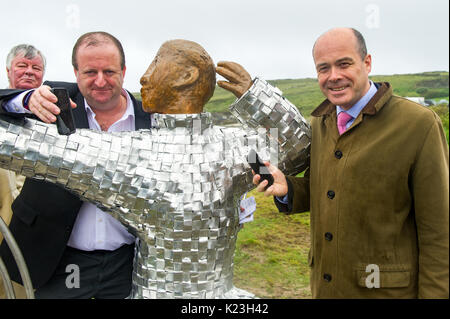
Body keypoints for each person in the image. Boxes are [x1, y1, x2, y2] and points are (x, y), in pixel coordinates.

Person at [0, 39, 311, 298]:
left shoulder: (133, 152)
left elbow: (295, 151)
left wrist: (256, 94)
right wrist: (23, 100)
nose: (143, 78)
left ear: (187, 76)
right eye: (89, 71)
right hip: (67, 266)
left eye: (154, 64)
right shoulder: (235, 147)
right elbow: (294, 146)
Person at [251, 27, 449, 298]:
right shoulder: (321, 123)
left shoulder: (418, 125)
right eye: (323, 68)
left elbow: (439, 231)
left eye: (344, 64)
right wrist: (289, 189)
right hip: (327, 288)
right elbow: (329, 189)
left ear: (367, 63)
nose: (334, 76)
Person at [0, 32, 152, 299]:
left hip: (125, 263)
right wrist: (25, 100)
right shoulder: (53, 100)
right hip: (55, 259)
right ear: (75, 71)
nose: (101, 81)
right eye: (90, 72)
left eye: (109, 71)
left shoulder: (150, 119)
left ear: (124, 70)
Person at [0, 44, 46, 299]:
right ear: (8, 70)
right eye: (22, 66)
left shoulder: (50, 111)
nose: (29, 72)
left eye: (36, 68)